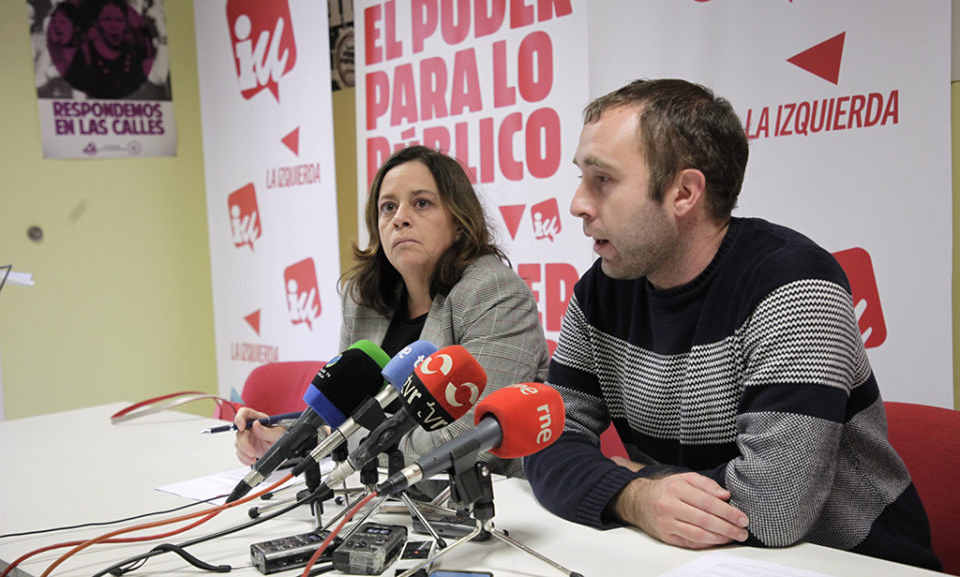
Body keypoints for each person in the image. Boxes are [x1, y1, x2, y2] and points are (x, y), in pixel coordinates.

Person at [522, 78, 941, 571]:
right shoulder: (603, 289)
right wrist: (633, 496)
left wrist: (634, 476)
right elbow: (545, 441)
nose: (578, 204)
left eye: (603, 179)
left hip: (853, 563)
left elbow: (772, 509)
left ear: (684, 192)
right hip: (700, 558)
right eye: (581, 177)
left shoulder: (794, 284)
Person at [235, 145, 550, 477]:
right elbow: (344, 416)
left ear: (459, 221)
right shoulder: (363, 301)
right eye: (388, 207)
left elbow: (468, 440)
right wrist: (288, 442)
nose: (400, 218)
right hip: (380, 492)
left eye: (422, 203)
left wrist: (351, 445)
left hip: (478, 495)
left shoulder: (494, 293)